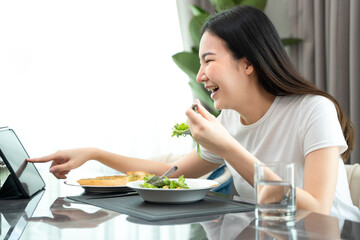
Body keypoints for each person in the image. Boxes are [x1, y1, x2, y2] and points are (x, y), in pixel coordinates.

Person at [28, 5, 360, 222]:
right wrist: (94, 152)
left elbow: (317, 209)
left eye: (209, 61)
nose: (200, 75)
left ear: (248, 62)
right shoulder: (229, 120)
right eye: (200, 63)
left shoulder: (314, 110)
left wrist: (228, 147)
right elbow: (167, 174)